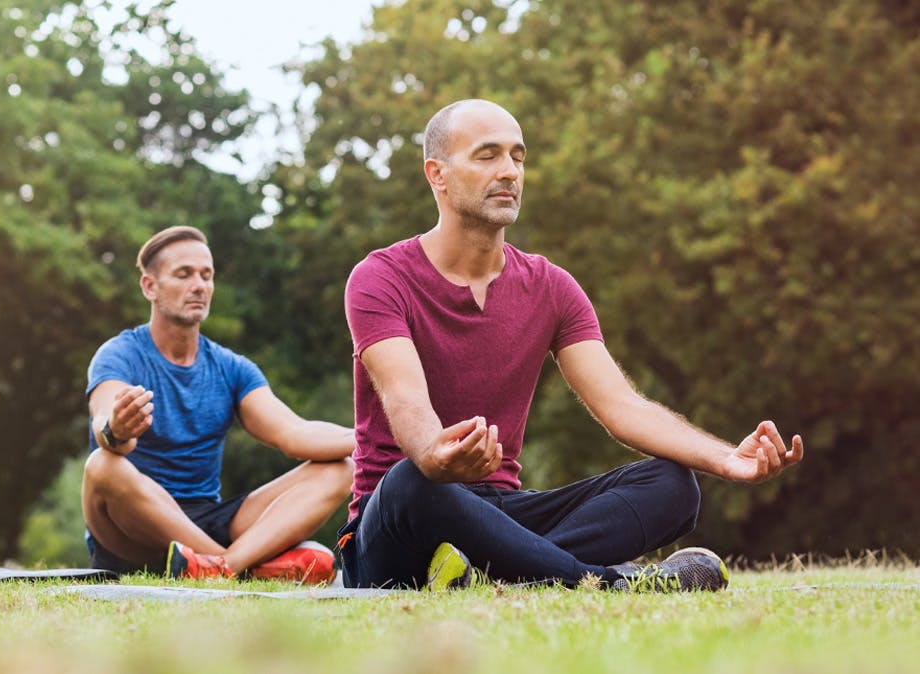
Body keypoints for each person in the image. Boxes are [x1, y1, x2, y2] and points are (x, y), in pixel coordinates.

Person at [340, 100, 804, 592]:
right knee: (415, 482)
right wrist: (435, 455)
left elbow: (621, 406)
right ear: (438, 174)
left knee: (673, 484)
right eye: (487, 155)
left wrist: (727, 458)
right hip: (399, 525)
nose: (509, 172)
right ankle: (607, 584)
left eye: (518, 157)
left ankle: (502, 576)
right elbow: (405, 398)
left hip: (501, 511)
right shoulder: (380, 278)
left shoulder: (551, 286)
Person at [81, 226, 355, 584]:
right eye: (184, 274)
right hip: (131, 529)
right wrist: (116, 428)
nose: (199, 285)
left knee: (340, 468)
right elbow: (107, 428)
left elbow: (294, 434)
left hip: (209, 519)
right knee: (102, 465)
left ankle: (222, 566)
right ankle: (241, 565)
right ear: (150, 287)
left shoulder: (231, 367)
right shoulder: (119, 354)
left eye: (206, 275)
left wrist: (383, 435)